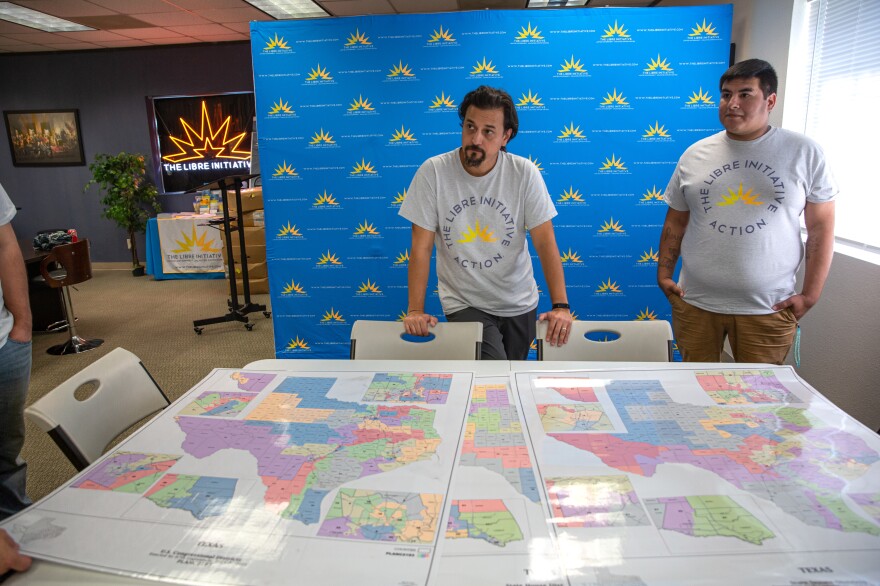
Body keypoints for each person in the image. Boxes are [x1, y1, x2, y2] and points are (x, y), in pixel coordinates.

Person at [657, 58, 837, 364]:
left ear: (770, 100)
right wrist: (663, 272)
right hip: (695, 303)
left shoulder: (803, 152)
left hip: (768, 308)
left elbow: (820, 228)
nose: (732, 103)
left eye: (745, 94)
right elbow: (676, 219)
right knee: (694, 393)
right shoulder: (696, 153)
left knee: (762, 403)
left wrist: (810, 294)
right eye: (726, 94)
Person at [399, 85, 572, 360]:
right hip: (465, 302)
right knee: (494, 373)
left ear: (506, 136)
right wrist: (415, 311)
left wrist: (561, 305)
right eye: (470, 127)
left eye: (488, 131)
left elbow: (544, 240)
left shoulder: (524, 173)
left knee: (506, 385)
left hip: (519, 302)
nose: (475, 139)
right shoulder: (433, 172)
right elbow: (421, 247)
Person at [0, 181, 32, 520]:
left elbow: (5, 246)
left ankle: (15, 520)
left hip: (5, 343)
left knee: (7, 450)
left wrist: (22, 324)